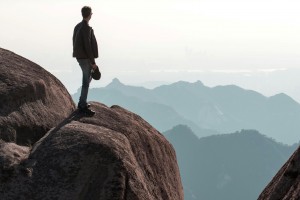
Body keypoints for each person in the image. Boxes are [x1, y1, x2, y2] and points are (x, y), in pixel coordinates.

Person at [73, 6, 98, 115]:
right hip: (85, 58)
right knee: (86, 82)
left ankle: (82, 102)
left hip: (80, 57)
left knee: (87, 79)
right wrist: (92, 62)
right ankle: (82, 105)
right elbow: (88, 46)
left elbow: (74, 40)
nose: (92, 15)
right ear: (89, 14)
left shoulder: (78, 26)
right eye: (91, 13)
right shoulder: (86, 28)